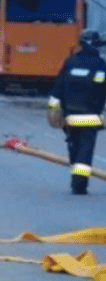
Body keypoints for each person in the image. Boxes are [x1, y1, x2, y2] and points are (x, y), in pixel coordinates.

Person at [47, 29, 106, 195]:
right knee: (85, 152)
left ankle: (76, 177)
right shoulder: (100, 65)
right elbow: (102, 87)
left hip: (70, 117)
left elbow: (57, 89)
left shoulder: (70, 63)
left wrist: (53, 111)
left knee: (74, 146)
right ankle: (79, 184)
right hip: (90, 117)